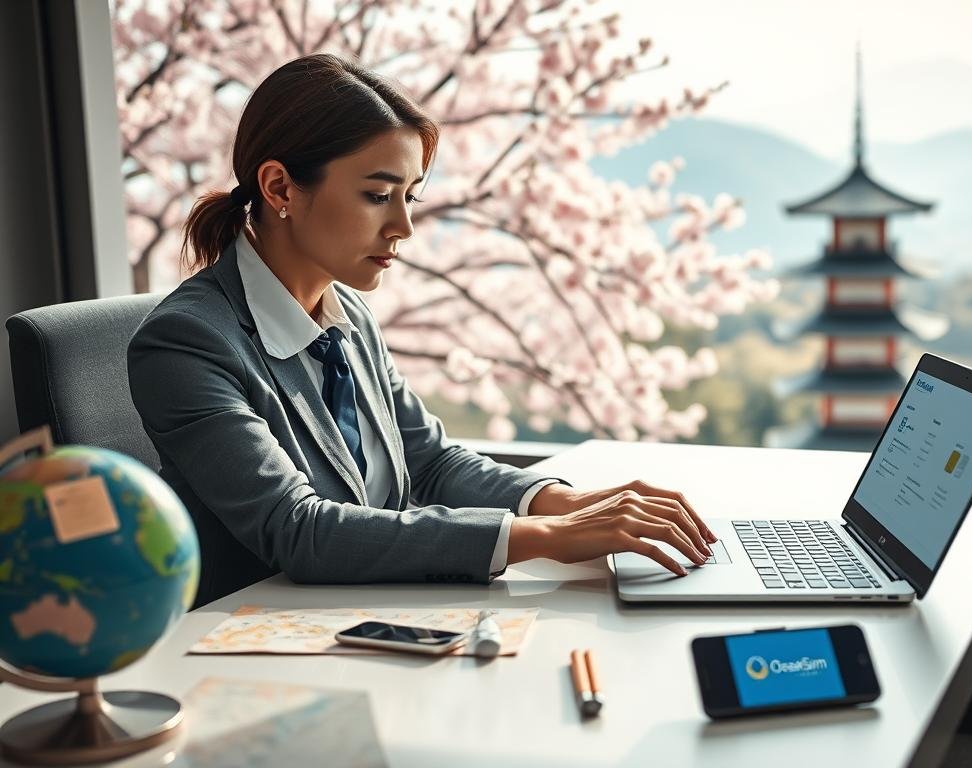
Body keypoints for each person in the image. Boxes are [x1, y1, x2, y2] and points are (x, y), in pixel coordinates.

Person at [127, 53, 714, 606]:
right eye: (378, 195)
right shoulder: (187, 343)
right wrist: (545, 536)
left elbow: (429, 461)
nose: (404, 225)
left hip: (377, 611)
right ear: (280, 187)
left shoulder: (347, 313)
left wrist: (568, 503)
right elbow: (298, 530)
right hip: (259, 642)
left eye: (409, 196)